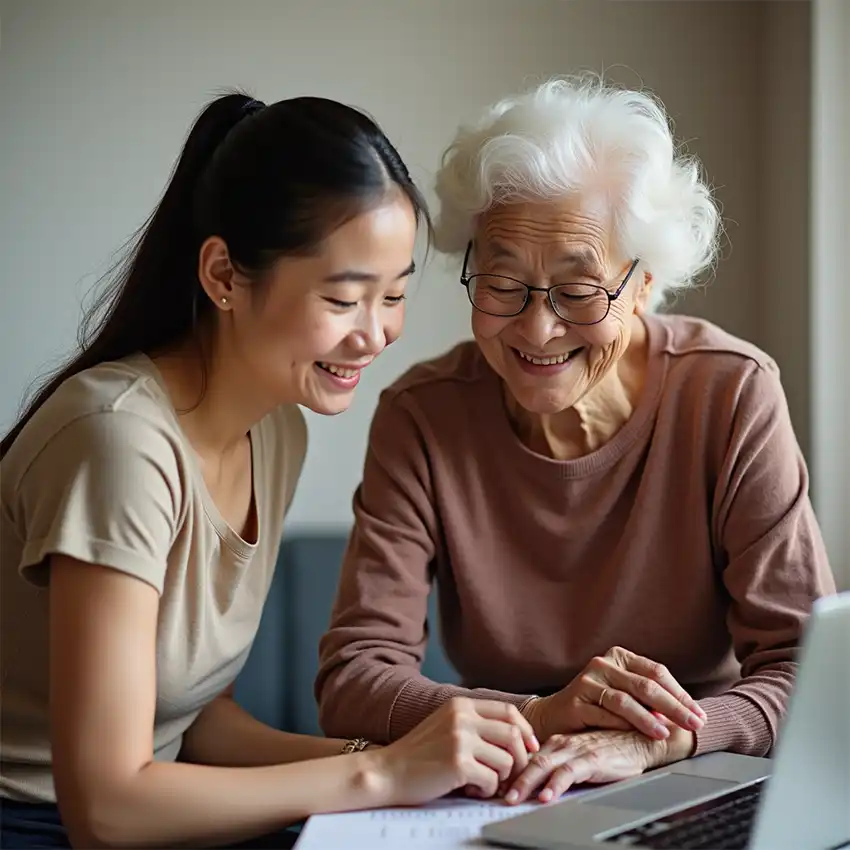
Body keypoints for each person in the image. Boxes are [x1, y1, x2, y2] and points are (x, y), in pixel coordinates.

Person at [0, 92, 540, 850]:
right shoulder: (118, 444)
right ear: (223, 274)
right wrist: (379, 777)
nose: (375, 334)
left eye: (393, 296)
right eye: (345, 298)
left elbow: (193, 721)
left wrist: (396, 765)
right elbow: (108, 808)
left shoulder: (276, 429)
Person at [315, 76, 837, 806]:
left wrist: (658, 739)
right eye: (501, 283)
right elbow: (354, 674)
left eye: (579, 290)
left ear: (645, 283)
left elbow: (809, 673)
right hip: (505, 782)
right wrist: (536, 717)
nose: (536, 329)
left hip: (696, 775)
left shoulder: (729, 394)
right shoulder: (422, 417)